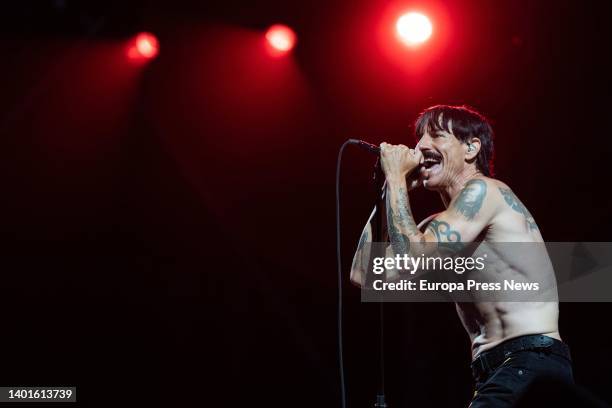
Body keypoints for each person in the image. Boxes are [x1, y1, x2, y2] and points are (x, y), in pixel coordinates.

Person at [350, 105, 573, 407]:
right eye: (418, 140)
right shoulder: (438, 226)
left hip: (529, 363)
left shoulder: (485, 192)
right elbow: (365, 275)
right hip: (495, 371)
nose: (420, 147)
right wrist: (389, 189)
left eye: (436, 136)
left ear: (471, 148)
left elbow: (414, 254)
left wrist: (399, 182)